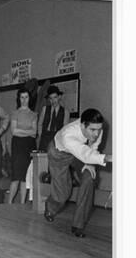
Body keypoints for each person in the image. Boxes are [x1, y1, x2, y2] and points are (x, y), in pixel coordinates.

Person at [44, 108, 113, 237]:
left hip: (81, 154)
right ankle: (50, 208)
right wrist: (107, 158)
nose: (96, 134)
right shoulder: (68, 135)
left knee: (89, 178)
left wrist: (89, 164)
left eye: (99, 129)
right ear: (82, 125)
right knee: (62, 194)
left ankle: (78, 225)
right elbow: (83, 153)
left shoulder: (97, 128)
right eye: (92, 130)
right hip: (59, 153)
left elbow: (93, 148)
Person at [7, 88, 37, 204]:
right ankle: (9, 204)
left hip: (29, 145)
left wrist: (21, 131)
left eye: (26, 97)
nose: (24, 100)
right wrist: (28, 131)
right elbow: (13, 131)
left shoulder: (33, 114)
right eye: (22, 97)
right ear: (19, 99)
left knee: (25, 177)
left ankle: (22, 204)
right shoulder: (15, 113)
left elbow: (34, 133)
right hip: (18, 146)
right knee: (16, 177)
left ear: (30, 99)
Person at [37, 84, 70, 151]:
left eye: (55, 97)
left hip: (57, 137)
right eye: (51, 98)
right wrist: (41, 135)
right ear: (49, 99)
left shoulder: (65, 111)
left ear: (59, 97)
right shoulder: (45, 109)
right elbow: (40, 124)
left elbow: (65, 128)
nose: (53, 101)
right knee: (43, 158)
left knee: (55, 158)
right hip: (45, 137)